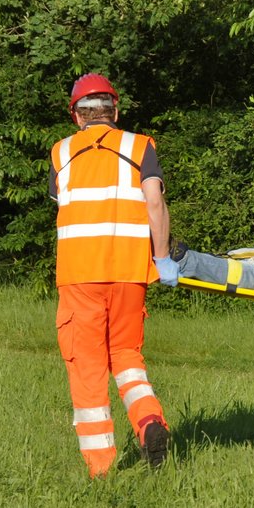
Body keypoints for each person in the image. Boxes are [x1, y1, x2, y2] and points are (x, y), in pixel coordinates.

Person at [49, 73, 178, 478]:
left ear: (76, 116)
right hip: (129, 273)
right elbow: (154, 204)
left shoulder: (60, 152)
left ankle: (101, 472)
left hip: (79, 276)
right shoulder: (140, 146)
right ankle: (149, 422)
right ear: (115, 111)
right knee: (125, 357)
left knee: (87, 365)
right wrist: (163, 259)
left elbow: (62, 207)